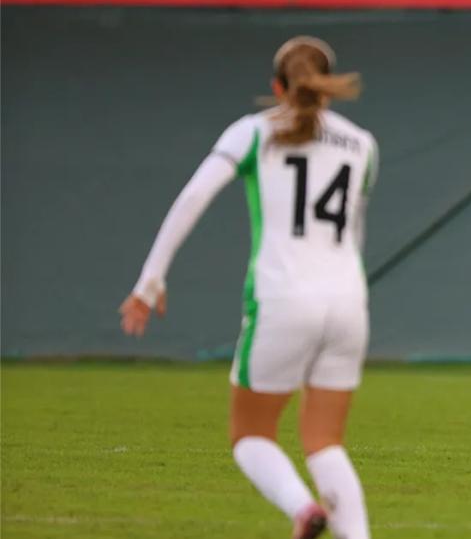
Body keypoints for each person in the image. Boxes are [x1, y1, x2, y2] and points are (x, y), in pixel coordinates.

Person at [118, 36, 379, 538]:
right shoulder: (363, 144)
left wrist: (150, 281)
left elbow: (194, 196)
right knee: (326, 443)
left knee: (250, 435)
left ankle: (303, 510)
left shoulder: (255, 132)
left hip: (283, 300)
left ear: (277, 86)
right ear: (325, 85)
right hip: (349, 304)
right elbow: (355, 233)